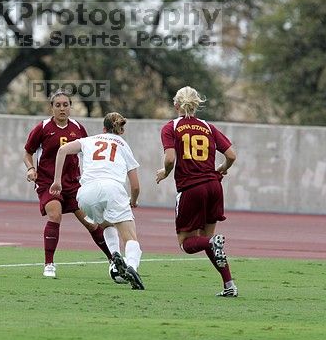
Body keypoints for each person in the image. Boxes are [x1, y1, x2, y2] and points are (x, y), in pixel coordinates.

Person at [155, 86, 239, 297]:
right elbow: (231, 155)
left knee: (186, 243)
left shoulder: (171, 127)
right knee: (207, 240)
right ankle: (229, 285)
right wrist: (223, 168)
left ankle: (213, 242)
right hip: (214, 187)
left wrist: (165, 172)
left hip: (192, 188)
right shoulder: (208, 127)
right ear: (197, 104)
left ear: (176, 105)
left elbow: (170, 159)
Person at [23, 90, 114, 278]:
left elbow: (87, 155)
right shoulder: (43, 128)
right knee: (55, 215)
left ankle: (113, 260)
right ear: (52, 108)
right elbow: (27, 153)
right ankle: (49, 264)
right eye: (58, 105)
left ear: (70, 107)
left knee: (91, 223)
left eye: (65, 105)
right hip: (49, 182)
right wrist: (31, 169)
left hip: (74, 184)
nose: (62, 108)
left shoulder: (78, 129)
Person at [50, 112, 145, 290]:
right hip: (112, 188)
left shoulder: (89, 140)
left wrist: (57, 181)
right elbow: (136, 186)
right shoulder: (123, 144)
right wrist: (133, 200)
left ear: (103, 128)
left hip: (86, 192)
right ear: (121, 130)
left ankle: (115, 254)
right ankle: (132, 266)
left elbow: (62, 150)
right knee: (130, 236)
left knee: (106, 224)